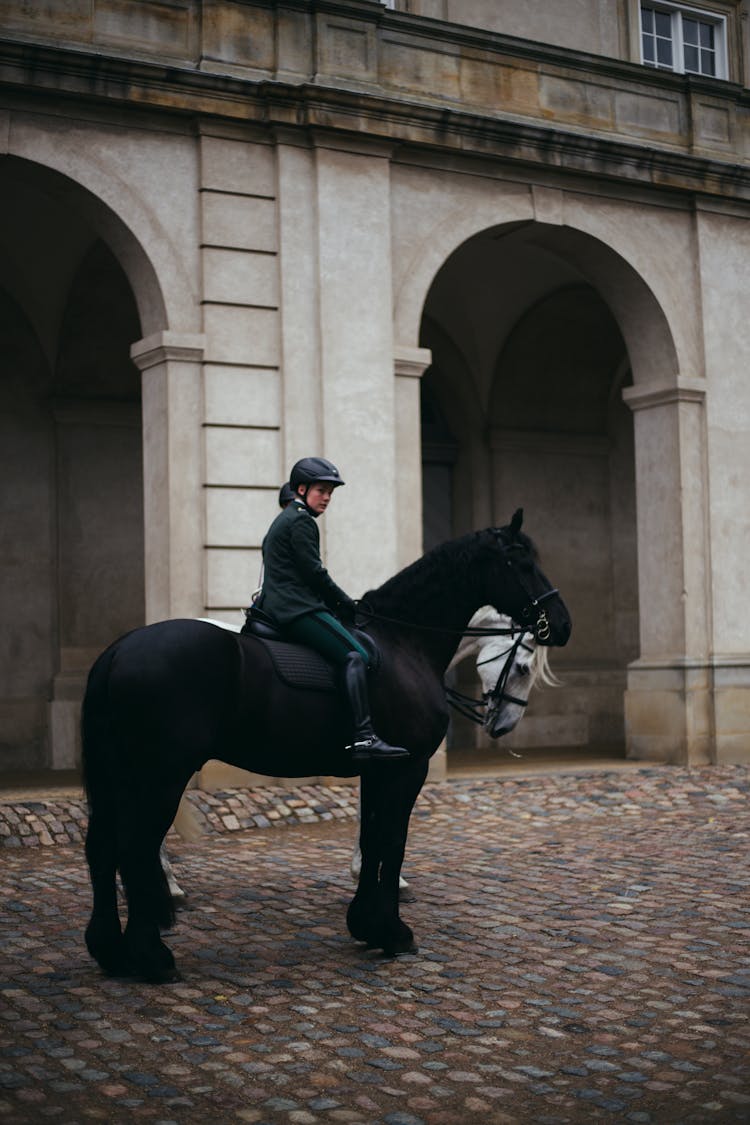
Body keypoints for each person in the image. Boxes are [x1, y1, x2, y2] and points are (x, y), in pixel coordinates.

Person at [255, 456, 409, 763]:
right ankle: (364, 736)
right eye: (321, 490)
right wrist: (345, 603)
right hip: (295, 609)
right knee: (358, 655)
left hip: (282, 603)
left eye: (330, 492)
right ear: (301, 488)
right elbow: (314, 573)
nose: (326, 497)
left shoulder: (286, 518)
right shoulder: (301, 521)